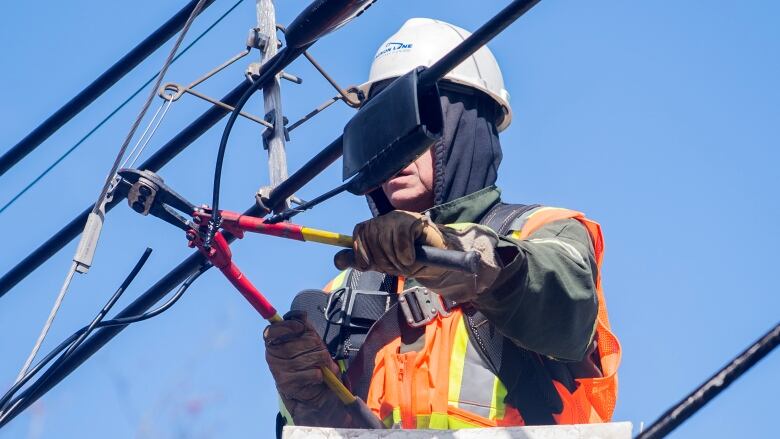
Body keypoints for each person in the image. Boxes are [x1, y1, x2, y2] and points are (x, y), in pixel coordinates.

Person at [263, 18, 621, 431]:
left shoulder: (543, 231)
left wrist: (448, 253)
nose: (393, 152)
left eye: (411, 127)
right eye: (381, 134)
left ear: (462, 127)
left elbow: (563, 309)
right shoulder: (344, 293)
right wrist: (309, 403)